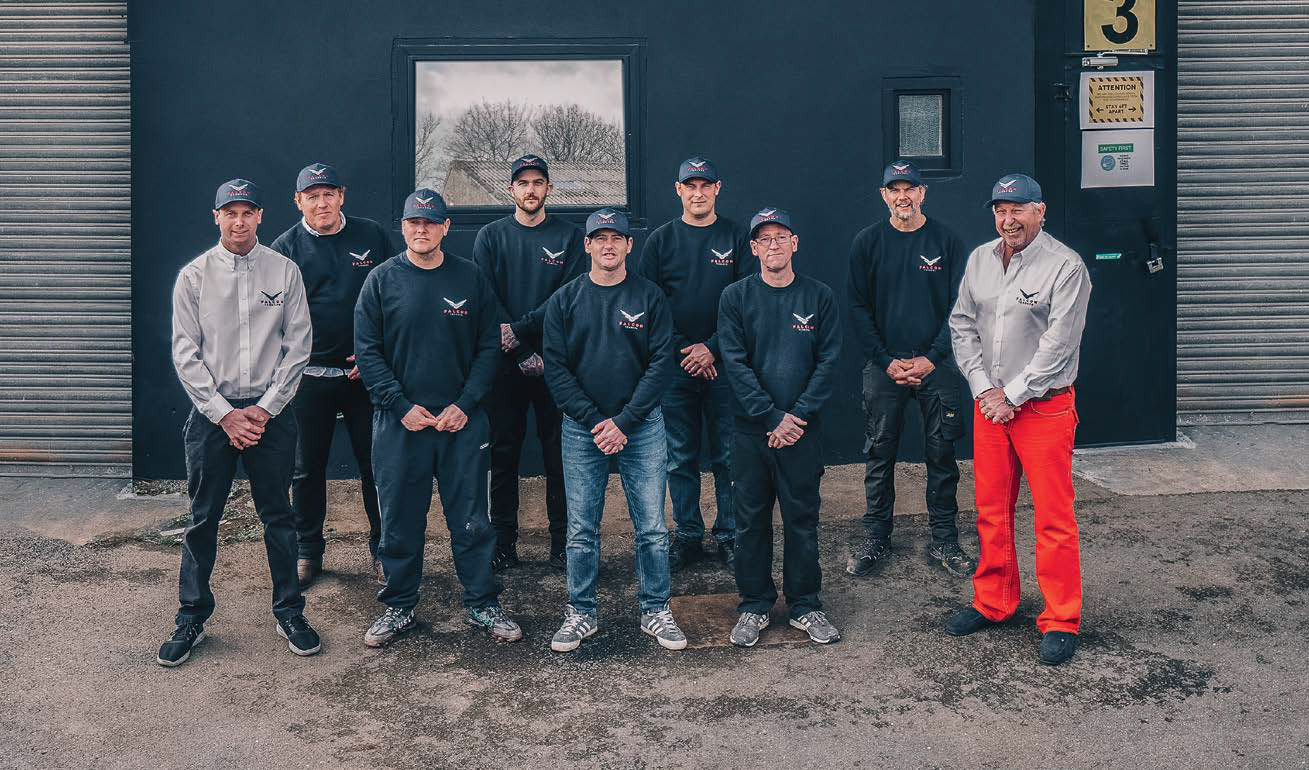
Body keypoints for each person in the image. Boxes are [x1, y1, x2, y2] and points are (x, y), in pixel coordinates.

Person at [158, 178, 318, 666]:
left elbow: (298, 347)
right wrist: (225, 414)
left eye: (248, 212)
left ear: (260, 216)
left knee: (279, 518)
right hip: (213, 416)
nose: (240, 221)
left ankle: (289, 611)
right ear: (217, 217)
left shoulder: (284, 271)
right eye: (230, 213)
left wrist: (265, 409)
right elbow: (185, 355)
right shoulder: (194, 277)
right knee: (202, 519)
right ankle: (191, 616)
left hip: (271, 417)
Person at [353, 189, 522, 648]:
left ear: (446, 227)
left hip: (461, 424)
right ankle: (399, 607)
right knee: (399, 521)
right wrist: (399, 406)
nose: (422, 229)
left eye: (430, 222)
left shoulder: (470, 278)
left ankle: (482, 603)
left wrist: (464, 405)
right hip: (400, 425)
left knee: (472, 521)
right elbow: (367, 352)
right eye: (414, 222)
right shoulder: (381, 281)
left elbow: (489, 349)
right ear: (403, 227)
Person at [945, 173, 1093, 666]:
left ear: (1040, 211)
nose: (1008, 220)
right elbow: (962, 325)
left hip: (1043, 408)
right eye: (1000, 211)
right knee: (991, 510)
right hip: (990, 407)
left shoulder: (1065, 267)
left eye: (1018, 210)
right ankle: (994, 602)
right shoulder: (980, 260)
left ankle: (1061, 618)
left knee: (1053, 517)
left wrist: (1011, 394)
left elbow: (1058, 345)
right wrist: (983, 390)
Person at [542, 207, 687, 653]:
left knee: (652, 528)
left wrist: (624, 422)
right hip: (582, 430)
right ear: (587, 245)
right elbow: (557, 371)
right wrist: (595, 421)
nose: (609, 245)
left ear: (629, 245)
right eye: (600, 238)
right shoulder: (564, 301)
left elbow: (661, 364)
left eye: (616, 238)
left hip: (641, 428)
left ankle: (655, 610)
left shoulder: (649, 297)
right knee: (581, 529)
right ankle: (581, 613)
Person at [717, 207, 843, 647]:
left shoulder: (819, 296)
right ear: (754, 248)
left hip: (801, 432)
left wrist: (796, 417)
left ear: (795, 243)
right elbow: (734, 363)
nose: (773, 245)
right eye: (765, 239)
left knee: (801, 521)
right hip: (751, 432)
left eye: (781, 237)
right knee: (750, 522)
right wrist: (771, 417)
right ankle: (754, 605)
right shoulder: (735, 297)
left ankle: (805, 605)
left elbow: (828, 362)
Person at [846, 160, 975, 578]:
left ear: (923, 193)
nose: (903, 196)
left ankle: (944, 539)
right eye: (894, 189)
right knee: (879, 453)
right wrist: (887, 361)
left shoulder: (946, 241)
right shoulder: (867, 242)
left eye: (910, 189)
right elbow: (858, 308)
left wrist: (932, 357)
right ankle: (876, 537)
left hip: (937, 365)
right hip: (884, 367)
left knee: (941, 453)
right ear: (884, 195)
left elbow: (961, 306)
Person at [269, 163, 393, 588]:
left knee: (376, 466)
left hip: (365, 375)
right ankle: (308, 551)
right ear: (298, 201)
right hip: (308, 377)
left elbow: (395, 295)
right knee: (306, 469)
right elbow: (273, 316)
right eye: (312, 196)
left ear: (342, 196)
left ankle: (384, 549)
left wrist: (377, 354)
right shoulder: (284, 248)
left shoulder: (371, 235)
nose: (321, 203)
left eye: (328, 194)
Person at [638, 156, 754, 571]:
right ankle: (688, 535)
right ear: (679, 190)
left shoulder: (737, 237)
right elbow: (649, 307)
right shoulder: (661, 241)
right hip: (675, 368)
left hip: (727, 365)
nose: (698, 193)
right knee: (679, 458)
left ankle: (729, 535)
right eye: (691, 186)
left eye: (706, 185)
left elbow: (748, 303)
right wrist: (686, 351)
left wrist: (712, 348)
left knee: (727, 457)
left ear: (718, 188)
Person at [472, 154, 585, 573]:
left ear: (549, 188)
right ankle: (503, 543)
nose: (531, 190)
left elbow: (568, 297)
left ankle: (563, 544)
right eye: (523, 183)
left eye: (538, 182)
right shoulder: (491, 236)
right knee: (503, 455)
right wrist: (519, 350)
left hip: (557, 361)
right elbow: (486, 297)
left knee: (560, 456)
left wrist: (524, 334)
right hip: (505, 364)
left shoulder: (570, 237)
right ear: (511, 190)